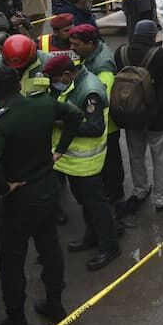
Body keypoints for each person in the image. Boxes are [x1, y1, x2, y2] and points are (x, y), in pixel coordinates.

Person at [0, 66, 82, 325]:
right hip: (47, 190)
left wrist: (4, 187)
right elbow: (75, 115)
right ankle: (55, 303)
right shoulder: (44, 104)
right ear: (18, 85)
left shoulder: (1, 123)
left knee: (11, 263)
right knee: (50, 248)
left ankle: (17, 321)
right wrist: (59, 151)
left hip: (18, 200)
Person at [42, 55, 119, 272]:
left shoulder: (89, 91)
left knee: (97, 204)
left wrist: (60, 124)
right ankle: (91, 236)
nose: (54, 84)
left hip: (87, 162)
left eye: (56, 79)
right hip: (71, 161)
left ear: (67, 74)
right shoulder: (71, 84)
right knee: (85, 203)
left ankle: (109, 246)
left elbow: (95, 129)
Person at [114, 20, 163, 212]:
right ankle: (162, 197)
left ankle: (140, 190)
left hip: (129, 114)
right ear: (153, 35)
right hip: (156, 115)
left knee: (136, 155)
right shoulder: (159, 54)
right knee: (160, 157)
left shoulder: (120, 52)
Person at [67, 24, 123, 208]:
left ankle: (114, 196)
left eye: (76, 44)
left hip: (107, 125)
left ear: (90, 43)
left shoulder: (102, 65)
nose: (72, 48)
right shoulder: (91, 55)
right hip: (102, 123)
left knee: (110, 163)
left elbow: (102, 97)